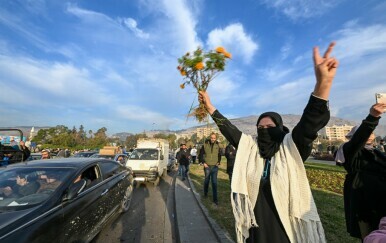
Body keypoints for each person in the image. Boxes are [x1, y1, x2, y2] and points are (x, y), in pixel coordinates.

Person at [198, 42, 338, 242]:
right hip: (256, 223)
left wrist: (323, 85)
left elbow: (310, 122)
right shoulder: (251, 148)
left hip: (285, 224)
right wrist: (211, 108)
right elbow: (229, 131)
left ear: (280, 128)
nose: (264, 131)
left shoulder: (291, 147)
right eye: (260, 128)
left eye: (269, 127)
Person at [337, 103, 386, 240]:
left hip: (382, 202)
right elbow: (358, 140)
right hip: (365, 205)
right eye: (366, 132)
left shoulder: (377, 151)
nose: (370, 135)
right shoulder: (350, 151)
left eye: (372, 132)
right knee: (370, 235)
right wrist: (373, 118)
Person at [199, 133, 222, 206]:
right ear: (210, 137)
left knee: (214, 183)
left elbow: (219, 155)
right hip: (207, 166)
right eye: (212, 138)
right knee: (206, 181)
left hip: (215, 167)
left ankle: (215, 200)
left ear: (216, 138)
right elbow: (200, 154)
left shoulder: (218, 145)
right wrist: (203, 163)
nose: (213, 139)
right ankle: (205, 194)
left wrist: (218, 162)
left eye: (214, 138)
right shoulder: (205, 144)